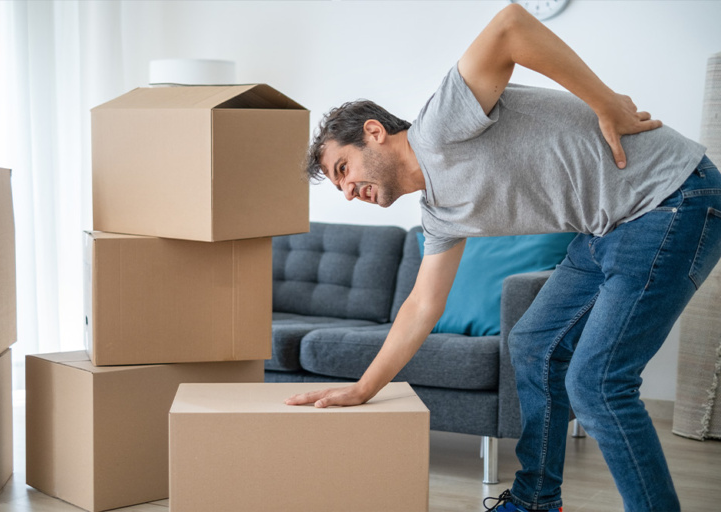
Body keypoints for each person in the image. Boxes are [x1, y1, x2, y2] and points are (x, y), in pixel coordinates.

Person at [285, 4, 721, 512]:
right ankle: (536, 501)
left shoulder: (439, 127)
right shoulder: (439, 214)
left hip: (671, 199)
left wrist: (607, 104)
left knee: (597, 383)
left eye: (344, 168)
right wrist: (362, 388)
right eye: (339, 186)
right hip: (612, 226)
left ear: (375, 132)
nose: (348, 191)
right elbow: (420, 309)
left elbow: (512, 24)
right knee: (534, 340)